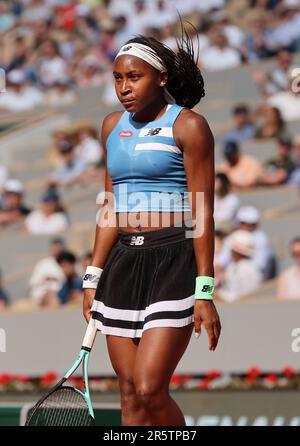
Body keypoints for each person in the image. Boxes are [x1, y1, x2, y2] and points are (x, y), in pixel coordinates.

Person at [82, 34, 221, 426]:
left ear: (161, 77)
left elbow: (203, 212)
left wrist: (204, 291)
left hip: (173, 261)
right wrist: (92, 276)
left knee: (148, 388)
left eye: (134, 77)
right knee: (128, 396)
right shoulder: (111, 126)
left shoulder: (190, 126)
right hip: (123, 262)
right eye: (117, 78)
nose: (124, 88)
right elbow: (109, 206)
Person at [216, 206, 276, 281]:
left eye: (251, 223)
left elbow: (260, 265)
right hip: (230, 276)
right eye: (243, 223)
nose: (246, 226)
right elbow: (222, 261)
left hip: (253, 277)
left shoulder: (261, 238)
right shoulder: (232, 237)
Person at [216, 230, 262, 303]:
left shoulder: (248, 268)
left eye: (232, 249)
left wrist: (219, 295)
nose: (230, 251)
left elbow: (245, 296)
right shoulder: (233, 266)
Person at [28, 237, 66, 306]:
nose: (57, 251)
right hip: (43, 294)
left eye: (59, 249)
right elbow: (33, 283)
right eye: (55, 248)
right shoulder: (43, 264)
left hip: (62, 294)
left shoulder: (67, 263)